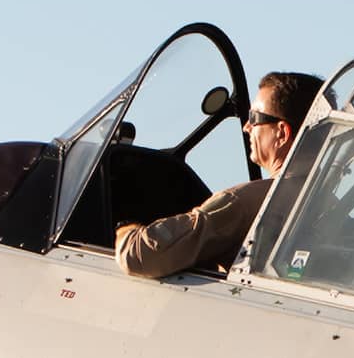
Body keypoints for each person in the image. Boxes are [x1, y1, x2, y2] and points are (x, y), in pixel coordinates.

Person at [116, 71, 324, 279]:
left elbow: (142, 256)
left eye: (254, 118)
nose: (246, 126)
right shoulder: (327, 204)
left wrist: (125, 230)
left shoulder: (244, 203)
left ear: (282, 132)